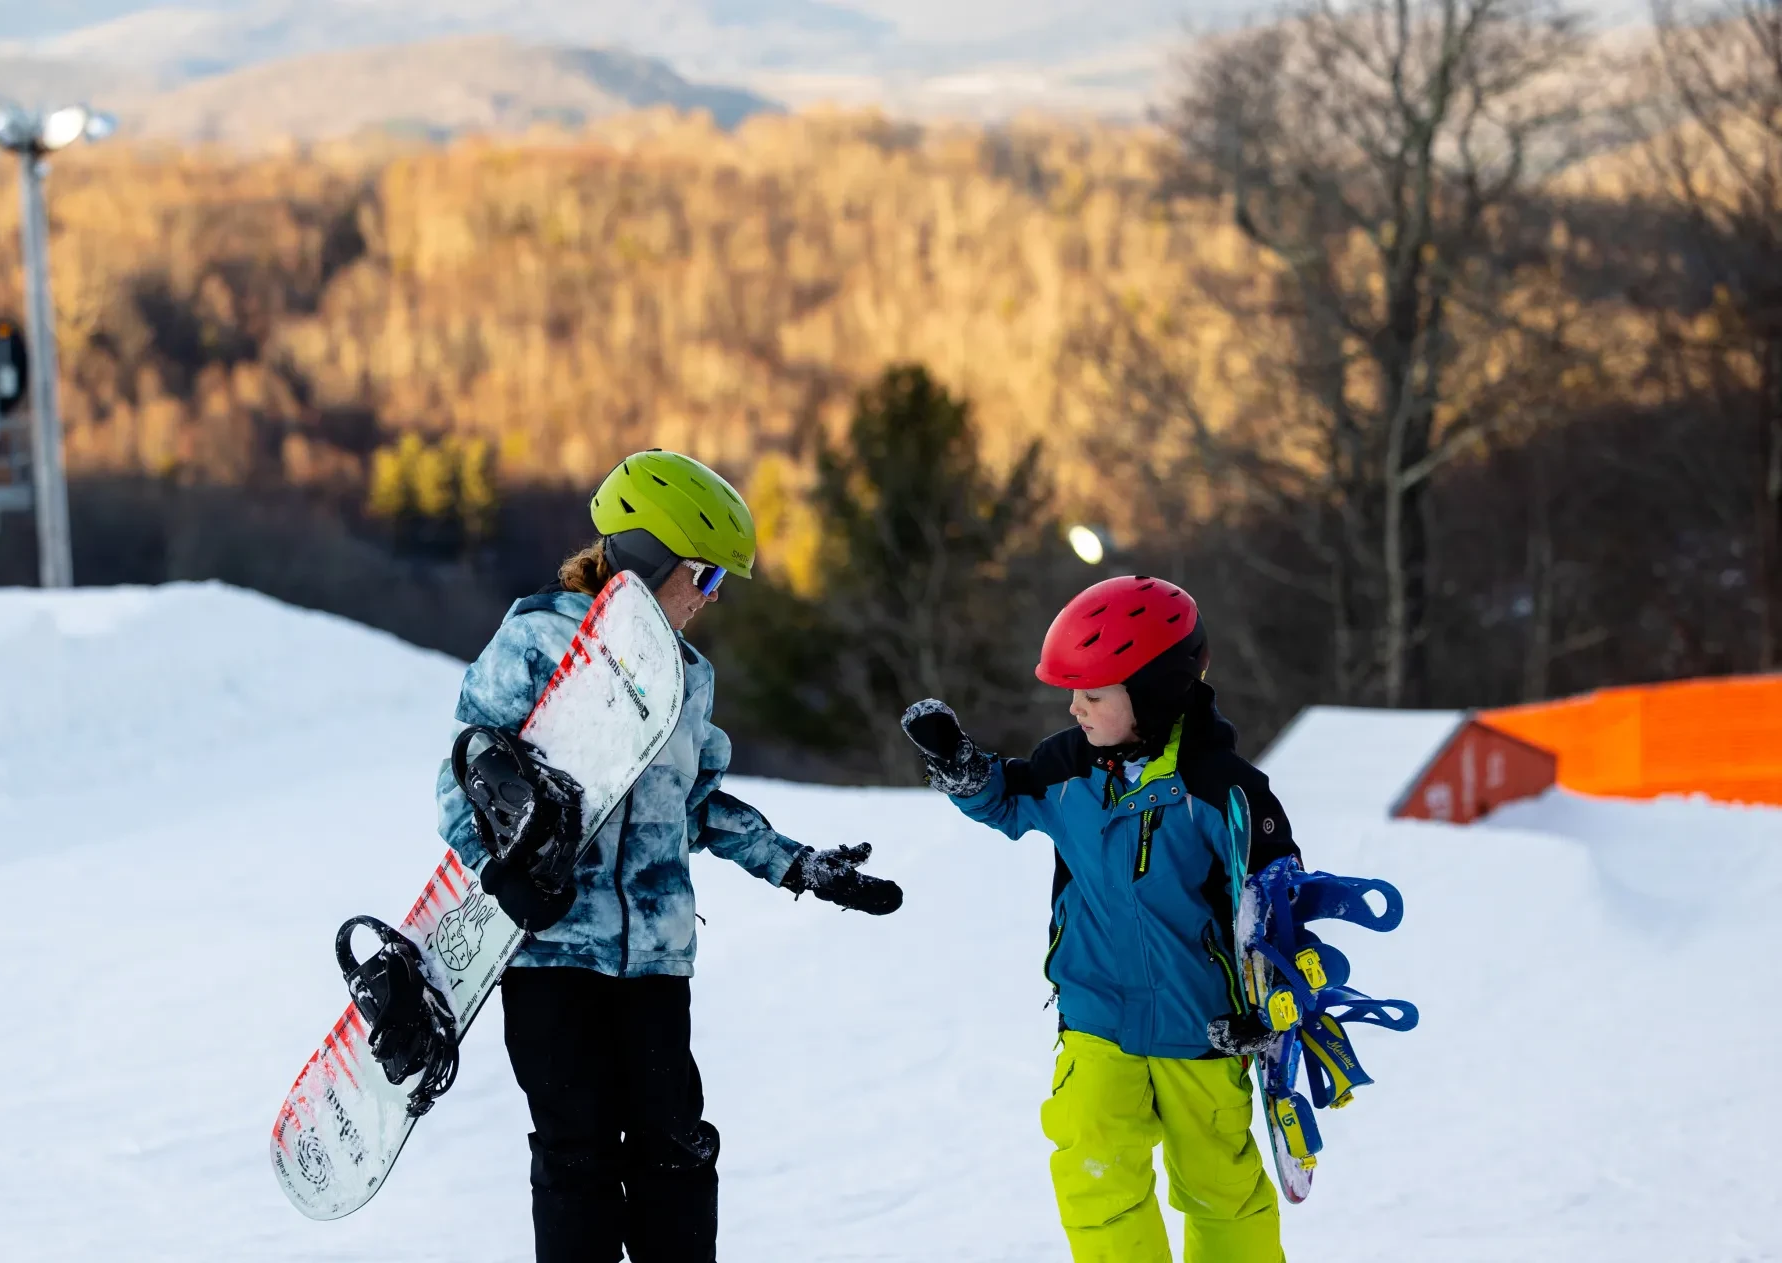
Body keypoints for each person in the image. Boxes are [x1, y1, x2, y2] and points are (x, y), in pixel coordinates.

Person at [436, 449, 902, 1263]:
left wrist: (795, 863)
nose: (710, 600)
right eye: (707, 577)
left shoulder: (686, 677)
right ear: (653, 559)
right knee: (576, 1153)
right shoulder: (536, 640)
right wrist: (505, 863)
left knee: (675, 1150)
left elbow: (693, 807)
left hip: (654, 963)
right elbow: (459, 787)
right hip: (552, 960)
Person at [899, 575, 1301, 1263]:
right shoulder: (1067, 768)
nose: (1075, 707)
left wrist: (1272, 1008)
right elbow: (1007, 800)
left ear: (1152, 691)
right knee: (1093, 1174)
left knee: (1220, 1190)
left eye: (1093, 692)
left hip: (1201, 1025)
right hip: (1095, 1018)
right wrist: (962, 768)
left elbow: (1278, 910)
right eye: (1073, 691)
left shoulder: (1223, 790)